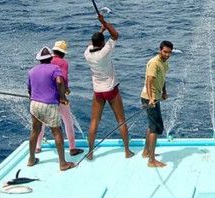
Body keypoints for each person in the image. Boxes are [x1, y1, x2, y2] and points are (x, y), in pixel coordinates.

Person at [83, 14, 134, 160]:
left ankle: (90, 153)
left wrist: (102, 29)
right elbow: (116, 35)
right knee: (121, 120)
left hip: (98, 92)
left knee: (94, 122)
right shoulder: (104, 52)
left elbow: (94, 42)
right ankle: (127, 151)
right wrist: (104, 21)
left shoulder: (87, 53)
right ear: (102, 42)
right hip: (111, 90)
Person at [27, 47, 75, 171]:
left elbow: (29, 89)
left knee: (35, 131)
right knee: (57, 132)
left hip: (34, 104)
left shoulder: (31, 71)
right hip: (49, 105)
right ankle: (63, 163)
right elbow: (59, 82)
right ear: (50, 58)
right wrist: (62, 97)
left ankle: (31, 159)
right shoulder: (55, 68)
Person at [36, 40, 84, 156]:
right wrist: (65, 91)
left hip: (45, 97)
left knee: (41, 123)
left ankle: (38, 147)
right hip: (59, 97)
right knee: (67, 121)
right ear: (63, 53)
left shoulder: (45, 61)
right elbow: (62, 79)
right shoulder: (63, 62)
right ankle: (72, 148)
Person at [141, 40, 173, 168]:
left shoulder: (164, 63)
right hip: (149, 98)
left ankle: (146, 151)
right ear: (160, 50)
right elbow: (149, 82)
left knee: (152, 125)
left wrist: (164, 92)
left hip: (156, 97)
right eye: (165, 52)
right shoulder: (154, 63)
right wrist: (150, 99)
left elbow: (163, 78)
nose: (167, 55)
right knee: (155, 128)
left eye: (169, 53)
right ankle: (151, 160)